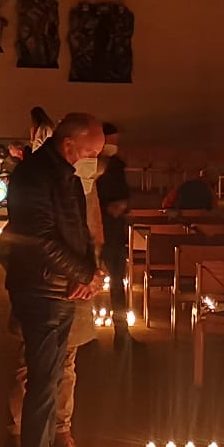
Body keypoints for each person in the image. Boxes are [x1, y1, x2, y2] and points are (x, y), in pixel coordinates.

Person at [0, 112, 104, 447]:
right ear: (69, 143)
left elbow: (76, 232)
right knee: (41, 379)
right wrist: (84, 273)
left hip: (62, 288)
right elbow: (39, 238)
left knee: (52, 378)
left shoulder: (67, 177)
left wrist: (89, 272)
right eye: (90, 150)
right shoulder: (33, 177)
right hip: (40, 289)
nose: (91, 157)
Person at [95, 122, 132, 345]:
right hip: (94, 227)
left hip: (114, 231)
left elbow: (125, 193)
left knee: (118, 281)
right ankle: (86, 336)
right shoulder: (89, 165)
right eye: (111, 140)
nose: (114, 145)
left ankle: (122, 333)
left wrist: (123, 204)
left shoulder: (117, 165)